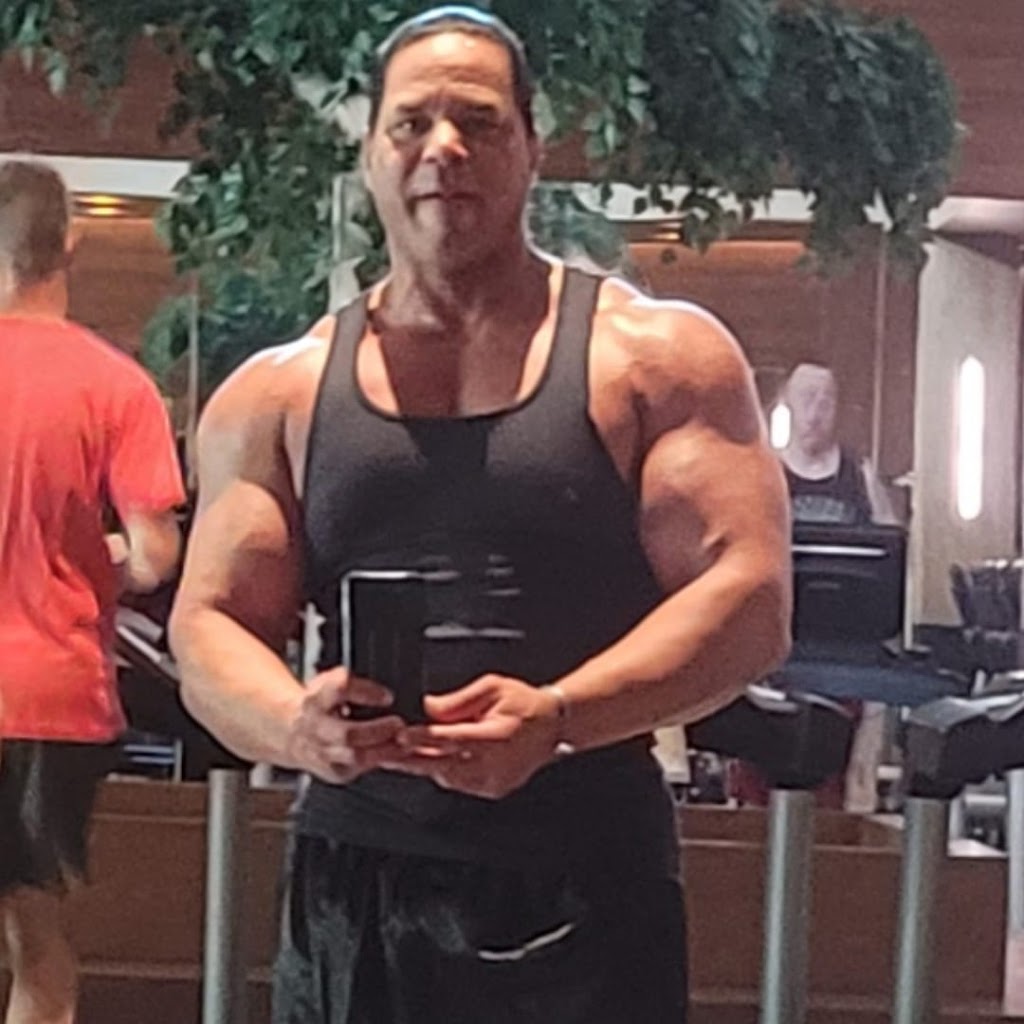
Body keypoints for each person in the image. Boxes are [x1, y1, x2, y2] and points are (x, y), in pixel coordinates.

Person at [168, 8, 791, 1023]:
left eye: (480, 122)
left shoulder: (658, 359)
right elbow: (209, 626)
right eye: (411, 123)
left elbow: (750, 598)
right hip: (356, 886)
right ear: (371, 154)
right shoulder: (275, 394)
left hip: (585, 873)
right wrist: (293, 724)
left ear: (534, 148)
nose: (443, 148)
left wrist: (560, 718)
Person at [0, 160, 184, 1024]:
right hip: (55, 696)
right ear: (70, 243)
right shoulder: (117, 384)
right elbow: (154, 554)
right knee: (36, 937)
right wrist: (92, 552)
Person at [780, 359, 899, 526]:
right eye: (806, 399)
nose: (814, 416)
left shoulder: (862, 476)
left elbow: (889, 536)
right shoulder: (765, 473)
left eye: (825, 404)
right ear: (787, 401)